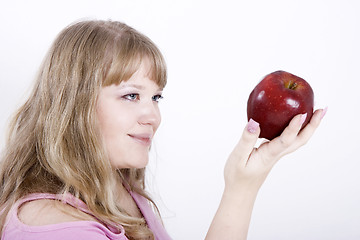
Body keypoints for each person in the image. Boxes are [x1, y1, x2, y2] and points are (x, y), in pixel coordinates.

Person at [0, 19, 326, 240]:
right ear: (74, 104)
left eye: (155, 97)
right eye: (131, 95)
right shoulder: (56, 229)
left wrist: (243, 184)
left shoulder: (117, 189)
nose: (152, 116)